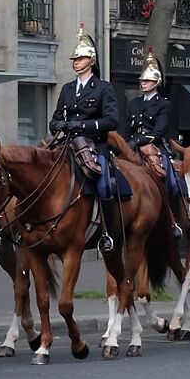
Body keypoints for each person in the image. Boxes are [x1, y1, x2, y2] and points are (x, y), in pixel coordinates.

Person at [50, 26, 128, 251]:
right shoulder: (67, 89)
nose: (76, 62)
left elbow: (112, 121)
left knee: (103, 184)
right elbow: (55, 119)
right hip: (67, 143)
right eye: (75, 58)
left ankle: (107, 233)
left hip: (95, 145)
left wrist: (82, 125)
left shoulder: (103, 88)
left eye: (81, 58)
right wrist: (58, 125)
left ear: (91, 61)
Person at [124, 57, 184, 199]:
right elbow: (127, 129)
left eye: (147, 81)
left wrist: (139, 140)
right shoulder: (133, 103)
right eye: (142, 81)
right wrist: (126, 144)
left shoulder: (164, 104)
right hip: (132, 145)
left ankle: (174, 212)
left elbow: (158, 132)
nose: (143, 83)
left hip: (155, 146)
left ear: (156, 83)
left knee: (173, 183)